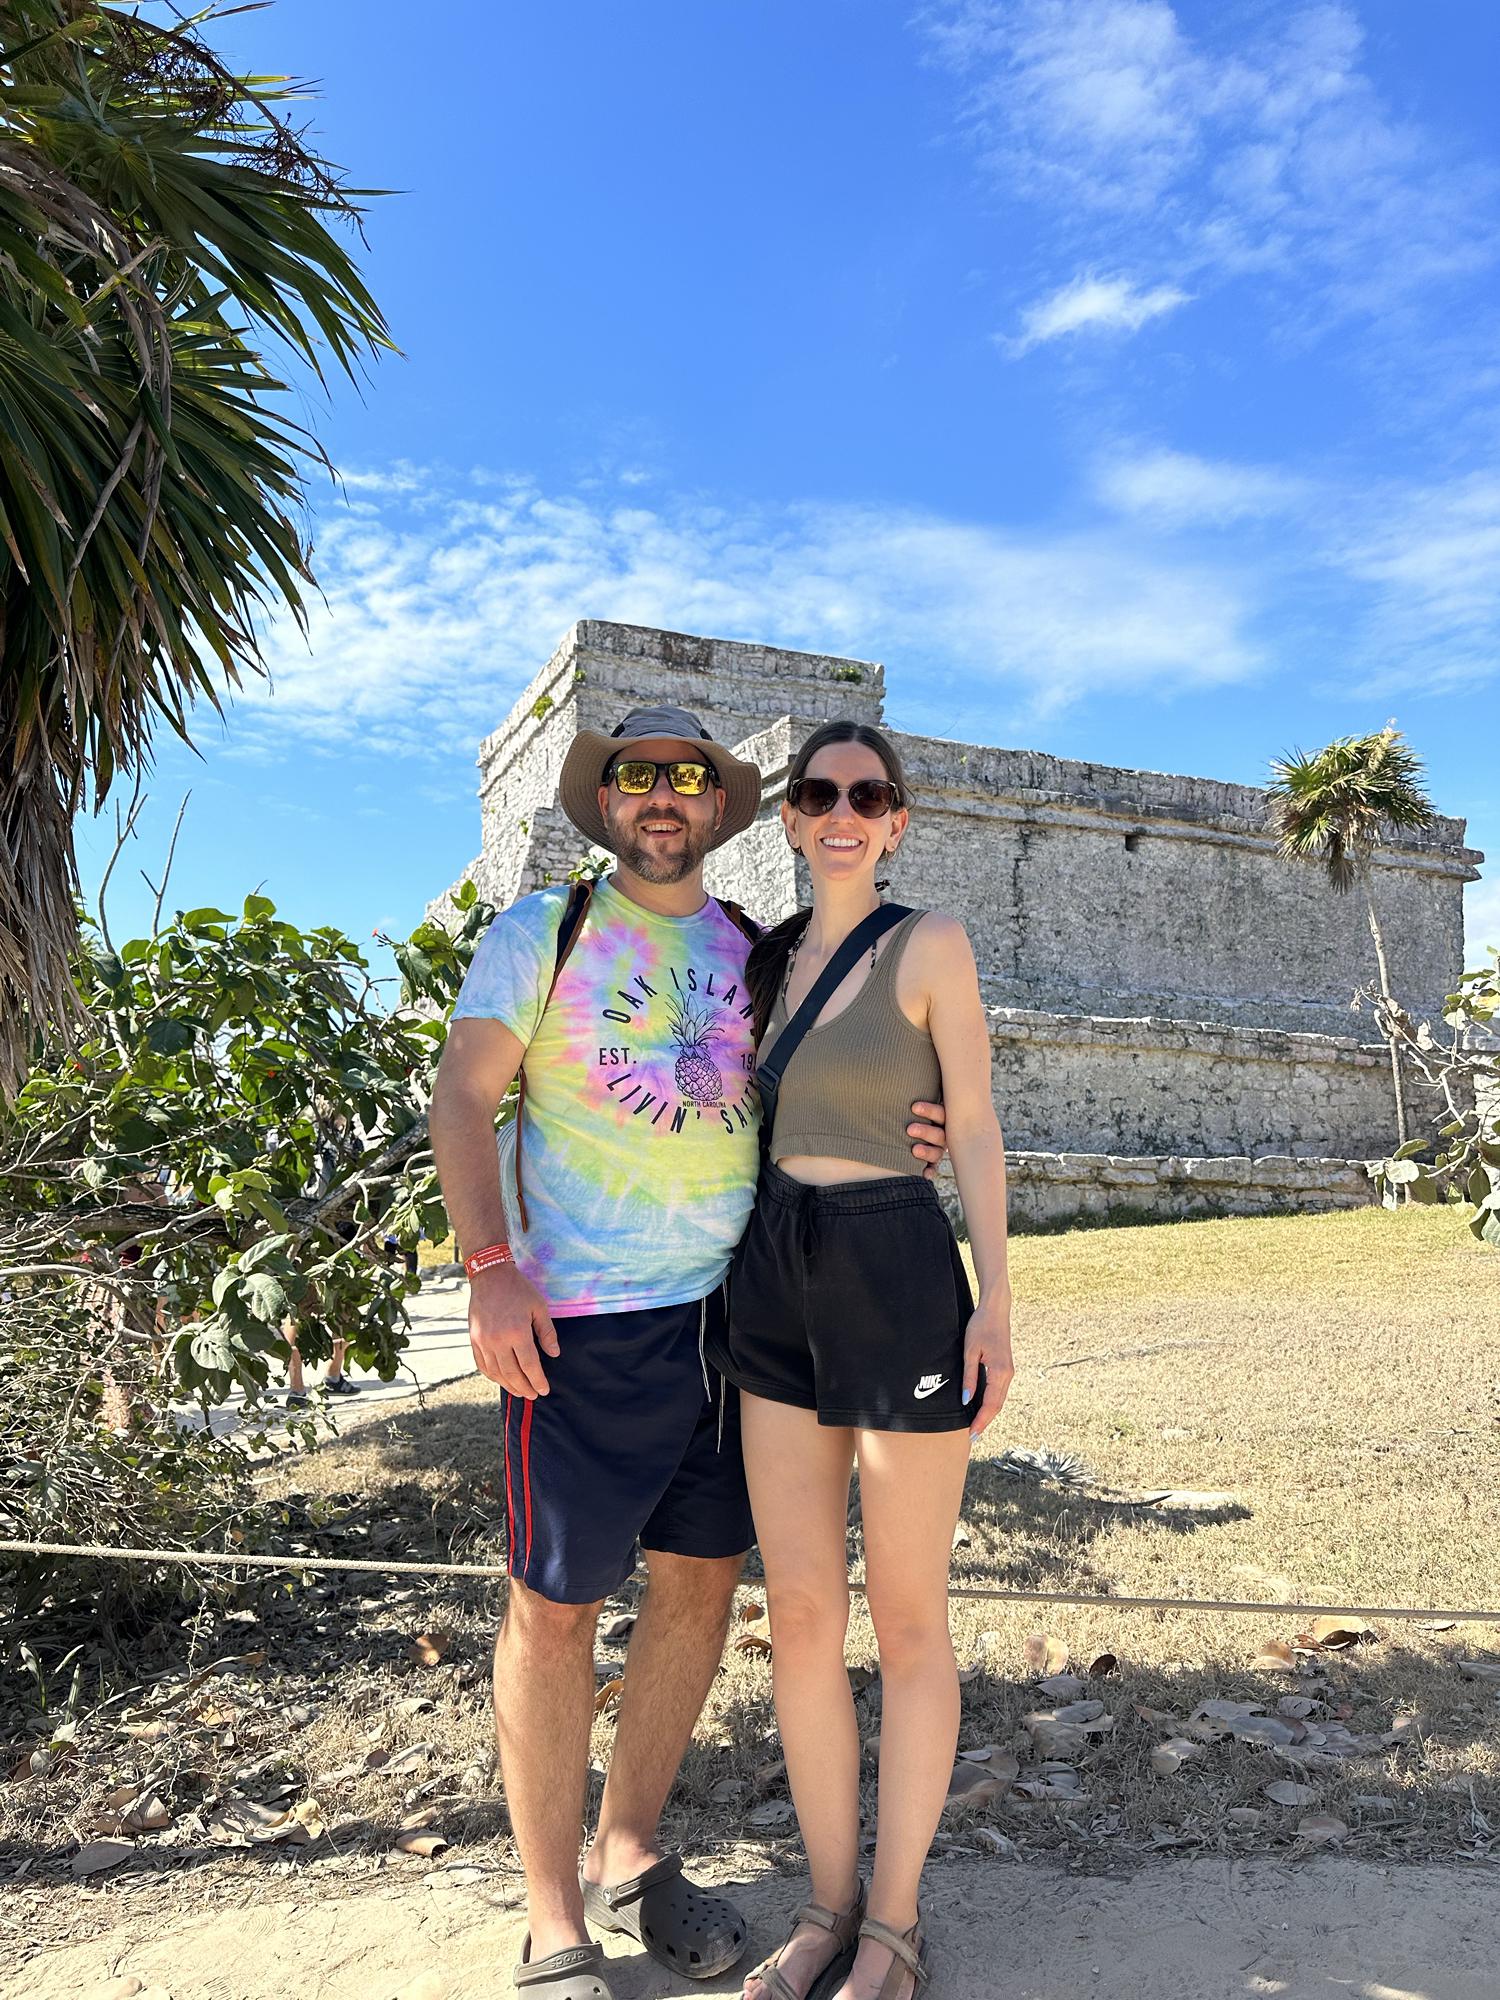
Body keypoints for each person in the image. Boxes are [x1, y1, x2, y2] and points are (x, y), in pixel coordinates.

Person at [428, 705, 949, 2000]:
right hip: (584, 1327)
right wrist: (490, 1270)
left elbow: (822, 1100)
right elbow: (461, 1096)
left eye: (687, 778)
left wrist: (915, 1131)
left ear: (718, 806)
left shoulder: (751, 957)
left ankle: (630, 1849)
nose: (662, 796)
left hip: (737, 1321)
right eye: (635, 776)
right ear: (604, 801)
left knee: (700, 1592)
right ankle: (554, 1921)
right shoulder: (542, 935)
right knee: (555, 1616)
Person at [705, 721, 1014, 2000]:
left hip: (894, 1263)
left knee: (907, 1617)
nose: (841, 811)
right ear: (788, 817)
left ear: (896, 819)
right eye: (818, 793)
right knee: (804, 1621)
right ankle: (828, 1900)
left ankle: (895, 1920)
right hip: (772, 1269)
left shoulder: (931, 942)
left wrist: (996, 1303)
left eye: (867, 795)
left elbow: (978, 1120)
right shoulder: (759, 962)